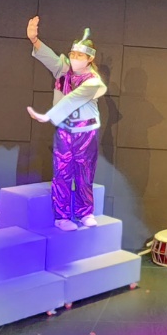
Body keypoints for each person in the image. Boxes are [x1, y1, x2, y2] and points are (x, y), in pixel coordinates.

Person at [26, 17, 107, 230]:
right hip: (64, 131)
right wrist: (34, 40)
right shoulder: (64, 71)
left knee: (84, 173)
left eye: (79, 55)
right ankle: (61, 217)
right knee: (62, 173)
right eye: (72, 54)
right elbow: (51, 59)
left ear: (89, 58)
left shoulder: (93, 81)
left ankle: (85, 213)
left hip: (86, 132)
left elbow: (73, 99)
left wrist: (48, 116)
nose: (74, 58)